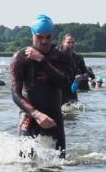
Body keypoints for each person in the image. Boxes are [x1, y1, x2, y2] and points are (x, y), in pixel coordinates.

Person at [9, 15, 69, 154]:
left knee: (59, 164)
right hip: (29, 115)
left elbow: (66, 84)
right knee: (25, 161)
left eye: (48, 37)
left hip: (54, 116)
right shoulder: (20, 58)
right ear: (32, 35)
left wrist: (42, 61)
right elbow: (15, 94)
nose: (44, 41)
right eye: (40, 37)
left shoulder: (61, 56)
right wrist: (36, 114)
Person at [59, 33, 95, 103]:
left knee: (73, 111)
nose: (71, 45)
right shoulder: (56, 55)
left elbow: (86, 73)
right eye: (68, 42)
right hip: (59, 91)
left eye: (73, 42)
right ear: (63, 43)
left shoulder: (78, 57)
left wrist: (81, 77)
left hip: (72, 92)